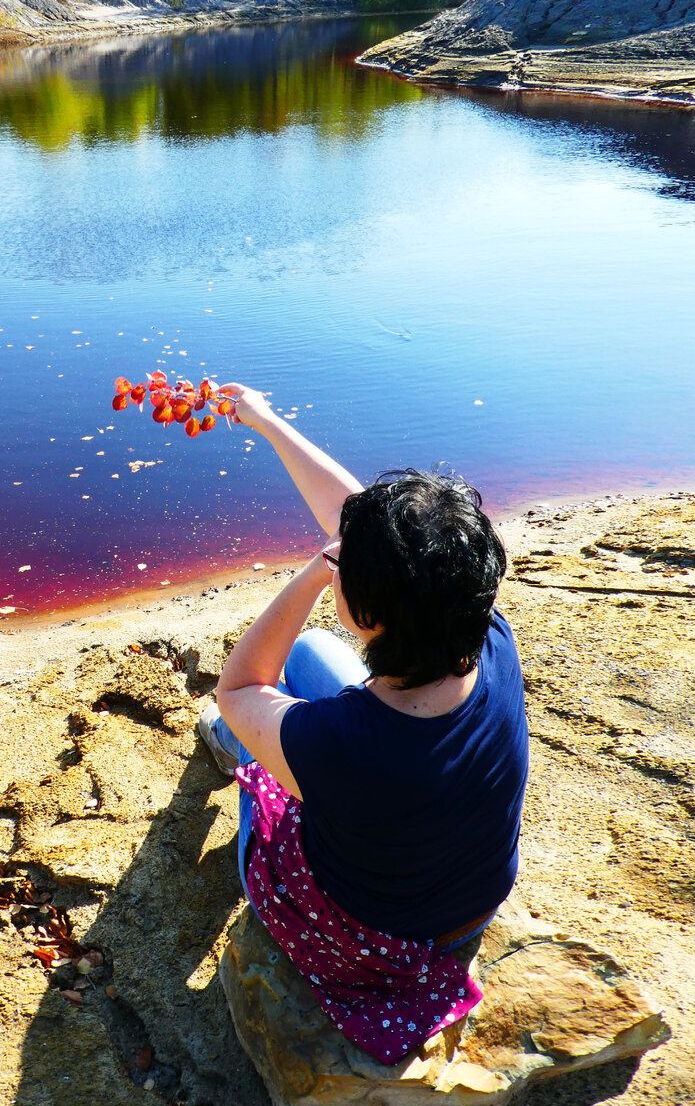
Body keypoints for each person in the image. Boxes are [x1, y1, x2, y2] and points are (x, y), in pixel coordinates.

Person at [198, 383, 528, 1063]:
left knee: (257, 760)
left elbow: (238, 684)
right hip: (474, 903)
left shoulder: (342, 743)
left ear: (371, 616)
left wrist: (310, 578)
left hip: (378, 938)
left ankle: (240, 754)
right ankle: (253, 742)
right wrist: (266, 422)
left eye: (346, 565)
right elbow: (352, 518)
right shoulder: (491, 634)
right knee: (318, 653)